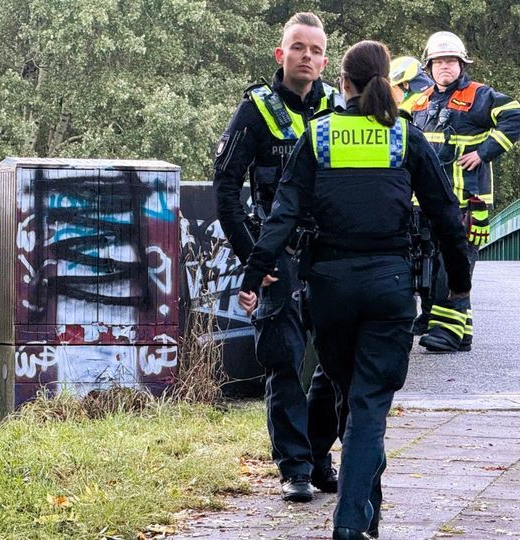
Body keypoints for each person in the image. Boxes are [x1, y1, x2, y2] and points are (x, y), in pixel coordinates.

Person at [238, 40, 473, 540]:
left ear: (342, 83)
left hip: (330, 290)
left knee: (352, 398)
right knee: (368, 407)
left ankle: (367, 518)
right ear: (388, 82)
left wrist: (253, 273)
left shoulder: (319, 135)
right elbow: (446, 215)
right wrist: (459, 281)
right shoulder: (405, 137)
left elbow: (282, 214)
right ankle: (352, 520)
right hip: (390, 286)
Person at [212, 11, 344, 503]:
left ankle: (318, 456)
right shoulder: (256, 110)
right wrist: (255, 258)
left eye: (315, 50)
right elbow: (226, 192)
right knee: (284, 361)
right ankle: (294, 468)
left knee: (336, 360)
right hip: (277, 254)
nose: (307, 56)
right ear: (280, 54)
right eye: (298, 47)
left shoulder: (341, 108)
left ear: (325, 61)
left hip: (333, 254)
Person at [409, 31, 520, 352]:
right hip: (425, 203)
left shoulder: (479, 96)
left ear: (462, 65)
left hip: (466, 201)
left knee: (453, 265)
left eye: (451, 61)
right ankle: (460, 332)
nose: (444, 67)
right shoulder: (419, 102)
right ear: (429, 67)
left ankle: (446, 332)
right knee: (432, 264)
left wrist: (484, 152)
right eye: (438, 62)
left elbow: (516, 118)